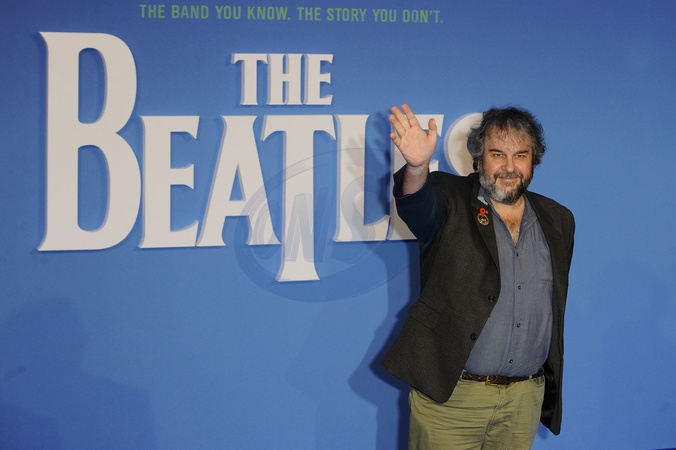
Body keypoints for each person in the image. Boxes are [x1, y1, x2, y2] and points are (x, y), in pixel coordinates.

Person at [381, 104, 575, 449]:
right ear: (479, 158)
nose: (509, 167)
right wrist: (417, 167)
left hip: (523, 400)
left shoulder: (558, 220)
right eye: (497, 154)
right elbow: (418, 206)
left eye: (520, 155)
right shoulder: (449, 198)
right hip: (452, 398)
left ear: (534, 160)